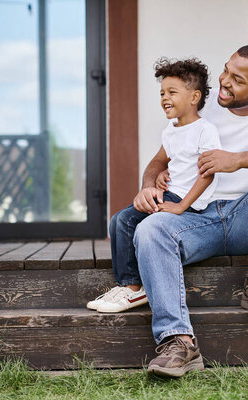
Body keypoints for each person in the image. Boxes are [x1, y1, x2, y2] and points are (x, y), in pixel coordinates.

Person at [120, 44, 248, 377]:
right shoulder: (202, 110)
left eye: (237, 80)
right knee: (148, 229)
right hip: (199, 220)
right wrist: (150, 185)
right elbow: (157, 162)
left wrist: (237, 159)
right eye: (226, 70)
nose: (224, 81)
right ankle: (179, 343)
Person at [86, 57, 221, 313]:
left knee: (125, 221)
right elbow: (163, 161)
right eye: (162, 93)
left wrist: (182, 206)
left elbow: (207, 174)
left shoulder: (205, 130)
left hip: (186, 202)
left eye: (172, 92)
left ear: (194, 97)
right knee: (118, 220)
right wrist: (156, 181)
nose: (164, 98)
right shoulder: (171, 129)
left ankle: (134, 288)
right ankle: (127, 285)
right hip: (170, 194)